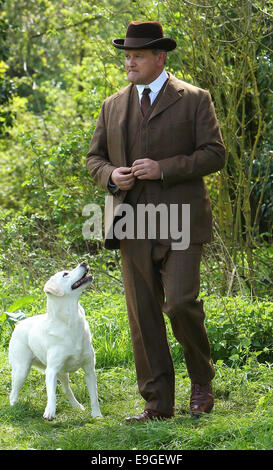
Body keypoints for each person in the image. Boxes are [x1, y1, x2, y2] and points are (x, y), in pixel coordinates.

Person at [86, 21, 225, 422]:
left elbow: (215, 154)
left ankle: (202, 379)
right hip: (129, 220)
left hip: (180, 217)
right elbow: (94, 158)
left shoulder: (195, 99)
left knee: (180, 302)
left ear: (159, 57)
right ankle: (157, 404)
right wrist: (111, 175)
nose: (129, 62)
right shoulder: (112, 105)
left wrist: (162, 168)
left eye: (137, 56)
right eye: (126, 56)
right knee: (143, 315)